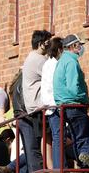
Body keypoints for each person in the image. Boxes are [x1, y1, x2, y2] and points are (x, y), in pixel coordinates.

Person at [53, 34, 89, 169]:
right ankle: (85, 155)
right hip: (73, 105)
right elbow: (73, 87)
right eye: (79, 45)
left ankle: (83, 159)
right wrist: (88, 99)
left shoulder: (62, 61)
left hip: (63, 106)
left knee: (78, 136)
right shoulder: (71, 62)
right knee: (88, 132)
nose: (81, 48)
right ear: (73, 46)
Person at [20, 30, 52, 172]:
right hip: (40, 106)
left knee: (42, 142)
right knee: (49, 140)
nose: (50, 44)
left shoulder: (30, 58)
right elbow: (54, 77)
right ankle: (52, 168)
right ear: (41, 44)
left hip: (33, 106)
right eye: (47, 42)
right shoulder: (40, 60)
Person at [40, 36, 63, 168]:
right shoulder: (54, 64)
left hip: (50, 105)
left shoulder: (48, 63)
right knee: (59, 138)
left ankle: (58, 167)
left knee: (57, 138)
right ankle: (59, 167)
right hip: (55, 105)